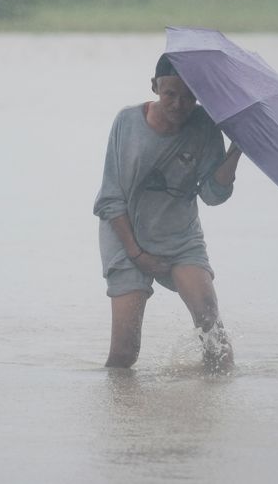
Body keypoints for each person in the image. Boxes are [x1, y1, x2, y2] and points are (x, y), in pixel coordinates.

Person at [93, 54, 243, 372]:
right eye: (170, 94)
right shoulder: (127, 123)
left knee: (216, 342)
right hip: (125, 235)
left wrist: (237, 151)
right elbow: (109, 199)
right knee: (124, 354)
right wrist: (136, 254)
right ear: (154, 87)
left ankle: (211, 412)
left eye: (189, 96)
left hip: (180, 238)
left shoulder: (205, 127)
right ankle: (120, 419)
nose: (179, 104)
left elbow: (213, 195)